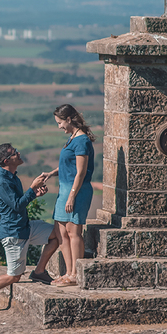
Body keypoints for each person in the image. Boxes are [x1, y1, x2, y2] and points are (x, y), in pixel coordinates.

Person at [0, 142, 59, 313]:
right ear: (6, 160)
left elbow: (18, 203)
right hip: (13, 233)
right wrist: (32, 188)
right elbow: (16, 206)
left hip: (24, 227)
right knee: (14, 276)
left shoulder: (13, 177)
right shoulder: (2, 182)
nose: (19, 153)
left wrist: (33, 194)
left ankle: (39, 271)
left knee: (57, 235)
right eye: (15, 152)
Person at [37, 103, 96, 287]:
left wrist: (72, 196)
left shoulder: (82, 141)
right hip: (65, 189)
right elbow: (68, 166)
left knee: (73, 232)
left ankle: (75, 275)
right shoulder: (72, 138)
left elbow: (80, 172)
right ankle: (68, 272)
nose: (59, 126)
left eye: (60, 122)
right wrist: (52, 173)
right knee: (61, 232)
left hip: (76, 190)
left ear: (69, 119)